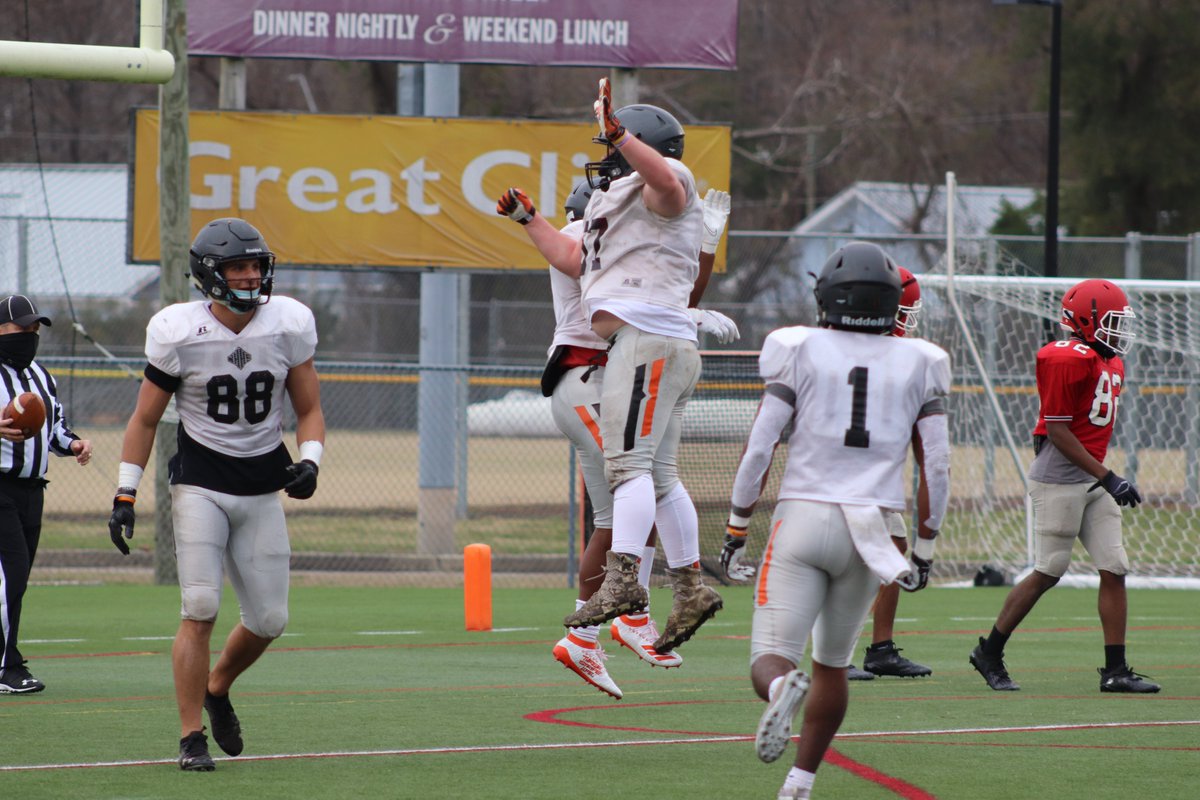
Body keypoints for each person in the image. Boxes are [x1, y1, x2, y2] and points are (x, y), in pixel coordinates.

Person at [497, 78, 724, 654]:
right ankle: (691, 586)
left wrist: (623, 138)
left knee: (627, 468)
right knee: (660, 475)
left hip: (646, 341)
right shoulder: (614, 206)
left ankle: (624, 583)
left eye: (615, 147)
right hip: (651, 343)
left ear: (636, 144)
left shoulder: (666, 189)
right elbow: (572, 257)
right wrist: (530, 221)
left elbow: (667, 182)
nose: (607, 160)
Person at [718, 242, 950, 799]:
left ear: (827, 295)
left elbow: (761, 446)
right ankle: (800, 783)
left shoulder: (797, 346)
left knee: (771, 657)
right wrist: (924, 548)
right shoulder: (922, 359)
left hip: (805, 515)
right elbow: (936, 467)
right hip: (872, 533)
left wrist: (735, 526)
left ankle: (779, 690)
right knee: (833, 665)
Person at [107, 218, 326, 770]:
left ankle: (218, 685)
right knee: (200, 605)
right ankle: (189, 737)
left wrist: (310, 462)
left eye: (255, 265)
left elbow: (309, 410)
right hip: (201, 483)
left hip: (261, 485)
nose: (251, 276)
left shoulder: (287, 324)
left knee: (270, 621)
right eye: (238, 267)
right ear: (210, 275)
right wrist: (125, 492)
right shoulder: (179, 331)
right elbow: (144, 418)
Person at [546, 180, 738, 698]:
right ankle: (602, 629)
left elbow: (671, 300)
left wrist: (704, 250)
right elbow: (625, 303)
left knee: (636, 501)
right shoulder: (580, 235)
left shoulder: (613, 240)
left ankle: (608, 627)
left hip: (608, 379)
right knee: (632, 496)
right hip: (587, 380)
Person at [969, 279, 1159, 694]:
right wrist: (1109, 476)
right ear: (1085, 321)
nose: (1119, 331)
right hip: (1059, 478)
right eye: (1111, 322)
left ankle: (1116, 671)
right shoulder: (1066, 357)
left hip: (1092, 478)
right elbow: (1056, 431)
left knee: (1115, 567)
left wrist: (1102, 476)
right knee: (1049, 571)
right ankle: (989, 652)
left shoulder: (1110, 361)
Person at [0, 295, 93, 694]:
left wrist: (72, 445)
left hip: (32, 490)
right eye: (22, 328)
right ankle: (7, 667)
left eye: (35, 329)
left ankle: (8, 658)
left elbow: (55, 428)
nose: (30, 335)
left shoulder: (41, 375)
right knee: (11, 574)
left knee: (14, 582)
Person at [848, 267, 934, 681]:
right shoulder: (856, 350)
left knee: (893, 546)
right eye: (903, 309)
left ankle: (880, 647)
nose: (907, 318)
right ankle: (835, 651)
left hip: (875, 474)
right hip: (849, 474)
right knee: (848, 558)